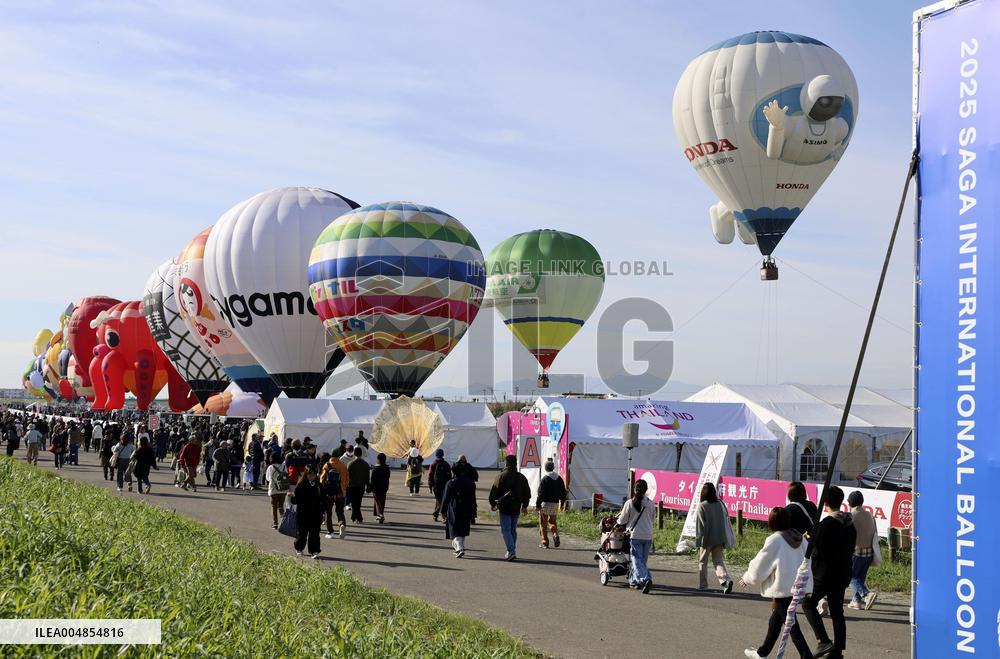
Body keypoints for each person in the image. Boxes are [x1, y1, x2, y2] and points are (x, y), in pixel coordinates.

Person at [740, 507, 814, 658]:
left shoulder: (775, 540)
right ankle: (762, 653)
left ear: (771, 522)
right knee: (776, 621)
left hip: (782, 588)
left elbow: (760, 565)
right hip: (797, 586)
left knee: (791, 625)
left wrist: (747, 578)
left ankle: (806, 656)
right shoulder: (800, 538)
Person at [801, 486, 856, 659]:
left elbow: (818, 551)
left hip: (825, 574)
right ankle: (837, 650)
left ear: (825, 503)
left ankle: (823, 640)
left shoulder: (825, 525)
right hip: (843, 572)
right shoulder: (849, 524)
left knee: (808, 603)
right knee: (837, 611)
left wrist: (810, 540)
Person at [488, 455, 530, 561]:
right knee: (512, 530)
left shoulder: (501, 476)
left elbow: (493, 492)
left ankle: (511, 551)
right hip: (516, 507)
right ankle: (512, 550)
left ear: (506, 464)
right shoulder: (521, 477)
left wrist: (493, 504)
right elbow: (527, 493)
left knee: (506, 530)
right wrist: (525, 506)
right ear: (516, 463)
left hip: (505, 507)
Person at [617, 478, 655, 593]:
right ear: (646, 490)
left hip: (635, 535)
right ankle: (635, 581)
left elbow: (622, 520)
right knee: (641, 561)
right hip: (648, 535)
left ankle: (646, 578)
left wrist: (618, 522)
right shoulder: (651, 504)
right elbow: (652, 518)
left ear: (634, 489)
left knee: (636, 560)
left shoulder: (629, 503)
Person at [695, 482, 734, 593]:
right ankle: (726, 580)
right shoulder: (720, 504)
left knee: (703, 562)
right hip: (720, 537)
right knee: (718, 561)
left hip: (707, 539)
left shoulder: (702, 506)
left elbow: (700, 526)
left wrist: (698, 541)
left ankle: (703, 585)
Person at [847, 490, 878, 611]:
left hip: (856, 552)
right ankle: (856, 601)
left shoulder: (851, 516)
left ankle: (867, 594)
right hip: (869, 552)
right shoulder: (869, 514)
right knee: (860, 578)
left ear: (850, 503)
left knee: (851, 577)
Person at [441, 461, 477, 557]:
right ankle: (461, 547)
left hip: (454, 508)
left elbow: (445, 498)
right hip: (467, 508)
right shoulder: (470, 482)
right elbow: (473, 498)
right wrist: (474, 511)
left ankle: (459, 548)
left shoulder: (451, 483)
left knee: (454, 530)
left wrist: (443, 511)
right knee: (463, 529)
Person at [291, 465, 323, 558]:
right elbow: (296, 500)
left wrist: (323, 510)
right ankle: (299, 548)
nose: (312, 476)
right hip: (303, 513)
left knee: (315, 534)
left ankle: (314, 550)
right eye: (310, 474)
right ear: (306, 474)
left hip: (316, 513)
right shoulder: (301, 485)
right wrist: (292, 497)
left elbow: (323, 499)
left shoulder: (318, 485)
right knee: (302, 533)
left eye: (314, 474)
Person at [535, 460, 567, 549]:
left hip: (545, 504)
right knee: (552, 522)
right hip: (555, 504)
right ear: (553, 468)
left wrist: (538, 505)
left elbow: (541, 494)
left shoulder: (545, 479)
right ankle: (555, 534)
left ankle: (545, 542)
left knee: (543, 523)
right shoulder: (559, 478)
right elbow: (563, 493)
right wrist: (562, 504)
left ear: (545, 468)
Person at [320, 454, 349, 538]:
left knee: (328, 512)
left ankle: (330, 531)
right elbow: (347, 480)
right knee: (340, 511)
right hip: (340, 492)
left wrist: (323, 489)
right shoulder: (343, 466)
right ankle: (341, 524)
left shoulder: (327, 465)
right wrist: (344, 489)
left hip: (329, 493)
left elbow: (322, 479)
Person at [346, 446, 370, 523]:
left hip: (352, 485)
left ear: (354, 453)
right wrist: (368, 485)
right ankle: (357, 518)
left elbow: (348, 476)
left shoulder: (350, 463)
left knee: (354, 502)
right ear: (361, 454)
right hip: (361, 485)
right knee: (358, 502)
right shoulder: (366, 464)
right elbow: (367, 476)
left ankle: (356, 518)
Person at [428, 449, 453, 522]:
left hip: (436, 485)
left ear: (436, 455)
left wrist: (430, 486)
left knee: (439, 500)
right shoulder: (446, 464)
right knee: (442, 500)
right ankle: (442, 516)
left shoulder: (433, 464)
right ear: (443, 455)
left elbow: (430, 476)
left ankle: (436, 515)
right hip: (445, 485)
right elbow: (450, 476)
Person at [266, 459, 291, 529]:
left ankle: (275, 523)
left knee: (274, 507)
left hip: (273, 489)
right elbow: (286, 475)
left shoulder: (270, 467)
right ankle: (283, 521)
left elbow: (268, 478)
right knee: (281, 506)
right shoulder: (284, 466)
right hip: (283, 489)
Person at [370, 453, 391, 523]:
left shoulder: (375, 469)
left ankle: (380, 515)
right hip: (384, 487)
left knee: (377, 501)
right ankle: (379, 515)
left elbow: (372, 479)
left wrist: (370, 488)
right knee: (382, 501)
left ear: (378, 460)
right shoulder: (387, 468)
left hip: (376, 488)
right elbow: (388, 476)